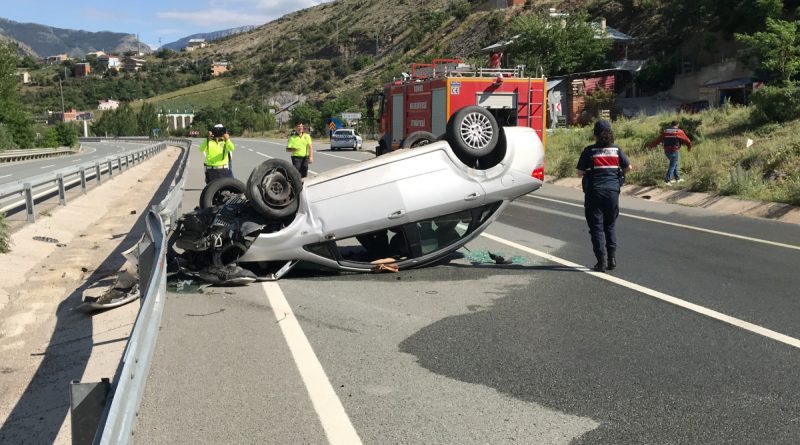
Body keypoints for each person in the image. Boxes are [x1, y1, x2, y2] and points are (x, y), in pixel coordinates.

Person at [576, 120, 633, 272]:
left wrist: (589, 171)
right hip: (612, 192)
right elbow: (629, 167)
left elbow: (579, 172)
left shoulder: (589, 151)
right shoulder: (616, 150)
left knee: (597, 228)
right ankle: (612, 259)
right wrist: (617, 174)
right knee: (610, 225)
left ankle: (601, 261)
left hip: (594, 192)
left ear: (595, 134)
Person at [647, 120, 692, 185]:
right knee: (673, 165)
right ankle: (667, 180)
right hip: (674, 150)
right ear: (678, 124)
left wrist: (652, 146)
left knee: (675, 164)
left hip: (667, 151)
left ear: (671, 125)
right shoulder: (679, 131)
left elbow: (658, 139)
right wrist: (689, 147)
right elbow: (687, 140)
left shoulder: (666, 131)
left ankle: (677, 179)